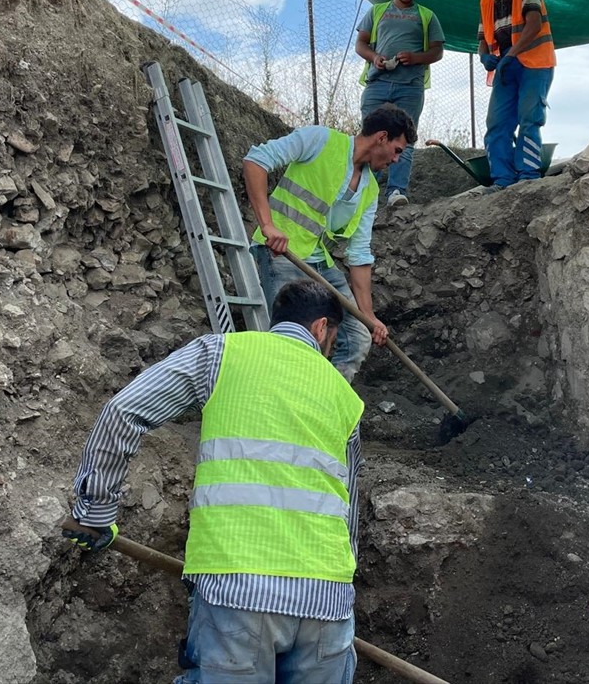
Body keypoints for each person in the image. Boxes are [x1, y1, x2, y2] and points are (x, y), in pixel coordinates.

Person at [65, 279, 364, 684]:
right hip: (328, 599)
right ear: (320, 328)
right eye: (334, 339)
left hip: (237, 589)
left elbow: (123, 411)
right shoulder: (345, 397)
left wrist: (96, 512)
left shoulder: (223, 352)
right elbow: (349, 511)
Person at [244, 104, 417, 382]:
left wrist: (369, 316)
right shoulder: (320, 140)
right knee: (295, 339)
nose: (397, 160)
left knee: (359, 335)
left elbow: (359, 254)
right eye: (398, 150)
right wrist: (267, 225)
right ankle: (287, 402)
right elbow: (256, 160)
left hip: (317, 260)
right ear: (382, 137)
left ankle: (326, 399)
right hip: (281, 255)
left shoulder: (370, 189)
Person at [355, 0, 445, 207]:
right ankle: (364, 189)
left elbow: (437, 51)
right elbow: (360, 44)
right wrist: (375, 58)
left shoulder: (426, 16)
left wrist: (415, 58)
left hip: (410, 87)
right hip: (377, 83)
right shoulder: (377, 11)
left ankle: (396, 192)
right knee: (371, 135)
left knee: (404, 138)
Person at [474, 0, 557, 192]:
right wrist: (483, 57)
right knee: (497, 122)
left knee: (529, 117)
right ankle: (502, 179)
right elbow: (482, 40)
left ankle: (528, 175)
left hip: (535, 61)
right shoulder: (486, 3)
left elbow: (534, 24)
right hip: (506, 65)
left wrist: (511, 55)